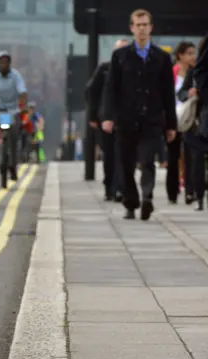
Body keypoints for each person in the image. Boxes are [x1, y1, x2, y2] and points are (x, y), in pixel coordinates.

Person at [101, 8, 177, 221]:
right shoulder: (120, 56)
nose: (142, 29)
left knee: (147, 160)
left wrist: (171, 125)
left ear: (151, 28)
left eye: (145, 25)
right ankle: (131, 203)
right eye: (138, 25)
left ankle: (147, 197)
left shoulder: (161, 58)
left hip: (152, 119)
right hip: (126, 118)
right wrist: (107, 116)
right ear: (131, 28)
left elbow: (168, 94)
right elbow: (111, 89)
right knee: (125, 163)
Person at [87, 38, 129, 202]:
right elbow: (92, 92)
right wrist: (93, 116)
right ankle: (109, 186)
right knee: (109, 154)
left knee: (123, 154)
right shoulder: (104, 69)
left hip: (125, 119)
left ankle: (120, 188)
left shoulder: (133, 70)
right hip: (105, 119)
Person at [0, 51, 28, 181]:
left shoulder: (15, 75)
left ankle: (13, 165)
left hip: (12, 110)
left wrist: (22, 107)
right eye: (1, 62)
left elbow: (22, 92)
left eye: (6, 62)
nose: (4, 65)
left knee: (13, 138)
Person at [178, 37, 206, 210]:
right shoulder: (195, 72)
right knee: (195, 160)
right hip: (196, 121)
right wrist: (189, 93)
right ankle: (197, 194)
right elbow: (181, 93)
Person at [168, 41, 197, 205]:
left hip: (189, 118)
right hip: (173, 118)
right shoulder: (172, 72)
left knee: (189, 155)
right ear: (180, 55)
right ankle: (172, 191)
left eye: (194, 53)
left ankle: (189, 190)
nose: (193, 57)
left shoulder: (195, 73)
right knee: (173, 156)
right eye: (189, 53)